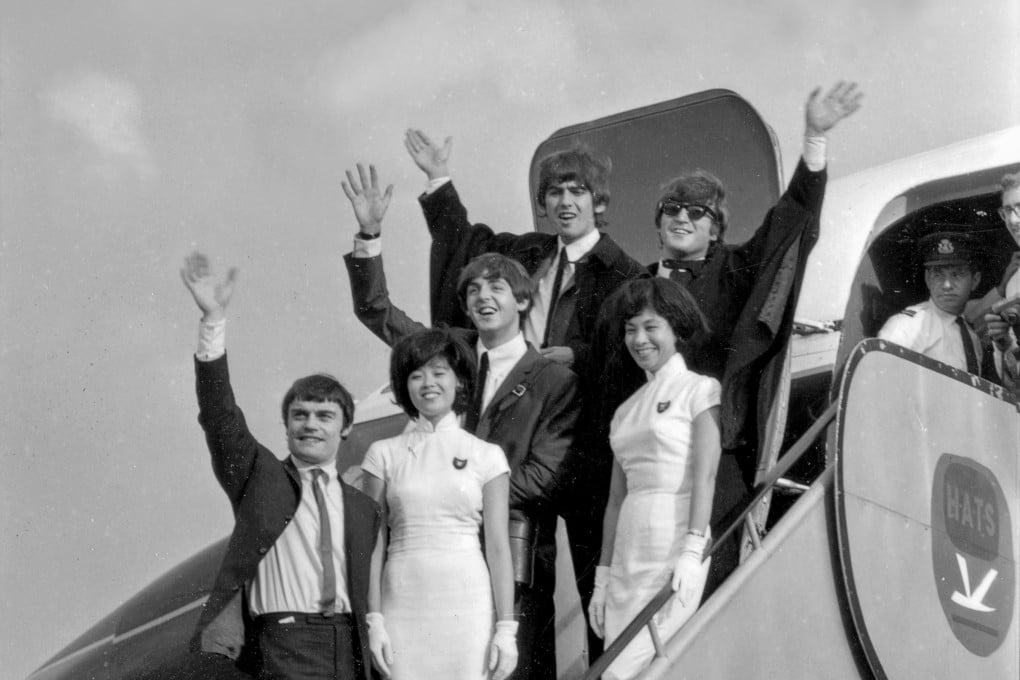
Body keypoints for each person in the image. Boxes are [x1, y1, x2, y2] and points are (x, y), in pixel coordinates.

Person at [404, 131, 644, 659]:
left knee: (595, 586)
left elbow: (623, 355)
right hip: (520, 443)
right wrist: (439, 179)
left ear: (598, 202)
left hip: (582, 452)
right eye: (554, 192)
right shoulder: (529, 253)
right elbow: (465, 244)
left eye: (577, 191)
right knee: (518, 586)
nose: (564, 202)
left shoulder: (625, 274)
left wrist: (574, 356)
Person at [341, 163, 579, 680]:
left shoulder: (552, 378)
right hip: (432, 572)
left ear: (523, 299)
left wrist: (462, 490)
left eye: (496, 288)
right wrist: (369, 235)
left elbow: (545, 475)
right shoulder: (451, 357)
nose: (483, 298)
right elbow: (378, 311)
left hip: (511, 560)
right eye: (473, 291)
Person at [633, 82, 861, 595]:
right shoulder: (636, 291)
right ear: (658, 221)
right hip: (647, 460)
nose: (683, 217)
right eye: (673, 208)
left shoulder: (737, 272)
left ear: (717, 230)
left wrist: (815, 141)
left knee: (709, 588)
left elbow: (791, 220)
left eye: (698, 212)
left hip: (720, 456)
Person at [180, 252, 381, 680]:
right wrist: (212, 323)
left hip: (350, 647)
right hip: (284, 643)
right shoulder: (260, 477)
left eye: (324, 416)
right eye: (300, 415)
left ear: (346, 428)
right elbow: (219, 417)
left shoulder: (364, 508)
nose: (311, 425)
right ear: (286, 425)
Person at [360, 328, 518, 680]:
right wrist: (374, 620)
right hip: (401, 598)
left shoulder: (486, 456)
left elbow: (497, 546)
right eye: (416, 375)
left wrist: (507, 628)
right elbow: (372, 544)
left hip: (467, 600)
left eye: (438, 372)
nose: (427, 383)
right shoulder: (382, 455)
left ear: (460, 381)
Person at [587, 278, 721, 680]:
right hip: (628, 554)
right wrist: (602, 578)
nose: (639, 339)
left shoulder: (700, 389)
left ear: (676, 327)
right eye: (630, 330)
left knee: (646, 669)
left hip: (673, 546)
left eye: (650, 326)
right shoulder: (625, 410)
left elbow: (706, 474)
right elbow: (615, 500)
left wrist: (693, 549)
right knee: (618, 667)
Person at [878, 231, 989, 377]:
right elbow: (881, 381)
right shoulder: (907, 326)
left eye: (957, 274)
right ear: (927, 279)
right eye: (938, 275)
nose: (947, 285)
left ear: (975, 280)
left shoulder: (972, 337)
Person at [973, 171, 1020, 393]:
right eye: (1007, 210)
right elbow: (1015, 386)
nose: (1012, 220)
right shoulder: (1015, 282)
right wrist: (1004, 343)